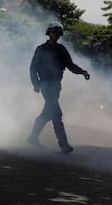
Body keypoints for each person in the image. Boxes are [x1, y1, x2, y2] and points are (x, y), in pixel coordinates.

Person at [27, 21, 90, 154]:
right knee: (56, 114)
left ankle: (33, 137)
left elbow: (70, 65)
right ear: (49, 33)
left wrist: (82, 72)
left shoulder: (61, 49)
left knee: (47, 113)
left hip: (56, 86)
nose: (55, 35)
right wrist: (36, 84)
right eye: (53, 32)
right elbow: (33, 69)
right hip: (45, 85)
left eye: (57, 33)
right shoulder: (41, 49)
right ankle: (64, 145)